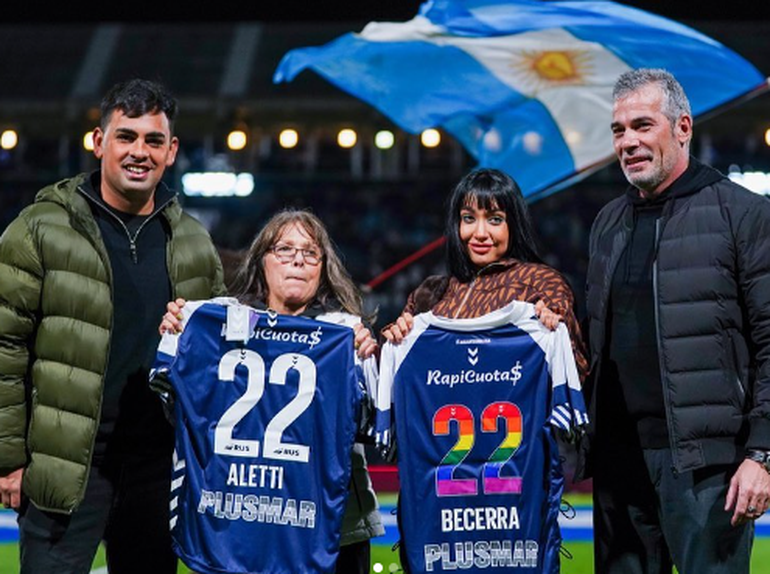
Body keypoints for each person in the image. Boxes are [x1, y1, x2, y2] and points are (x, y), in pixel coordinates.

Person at [0, 79, 225, 574]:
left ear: (172, 152)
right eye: (126, 137)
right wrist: (9, 458)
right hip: (64, 469)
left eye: (153, 140)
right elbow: (4, 348)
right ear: (99, 142)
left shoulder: (193, 242)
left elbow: (221, 356)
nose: (138, 152)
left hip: (156, 470)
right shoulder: (39, 228)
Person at [581, 68, 770, 574]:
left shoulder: (744, 214)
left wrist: (763, 454)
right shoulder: (606, 223)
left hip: (707, 469)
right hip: (619, 466)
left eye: (643, 125)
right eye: (619, 130)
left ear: (682, 127)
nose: (629, 142)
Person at [161, 209, 383, 574]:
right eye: (284, 249)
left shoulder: (344, 333)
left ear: (323, 268)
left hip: (334, 526)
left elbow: (372, 425)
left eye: (311, 252)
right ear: (260, 261)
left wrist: (365, 359)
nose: (298, 259)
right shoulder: (217, 324)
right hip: (243, 521)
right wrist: (180, 334)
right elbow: (177, 405)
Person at [382, 167, 587, 380]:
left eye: (495, 219)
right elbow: (396, 378)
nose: (480, 233)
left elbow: (576, 369)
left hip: (510, 413)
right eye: (469, 218)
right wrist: (393, 338)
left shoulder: (539, 281)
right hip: (444, 413)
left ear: (514, 225)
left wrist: (557, 327)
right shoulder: (429, 293)